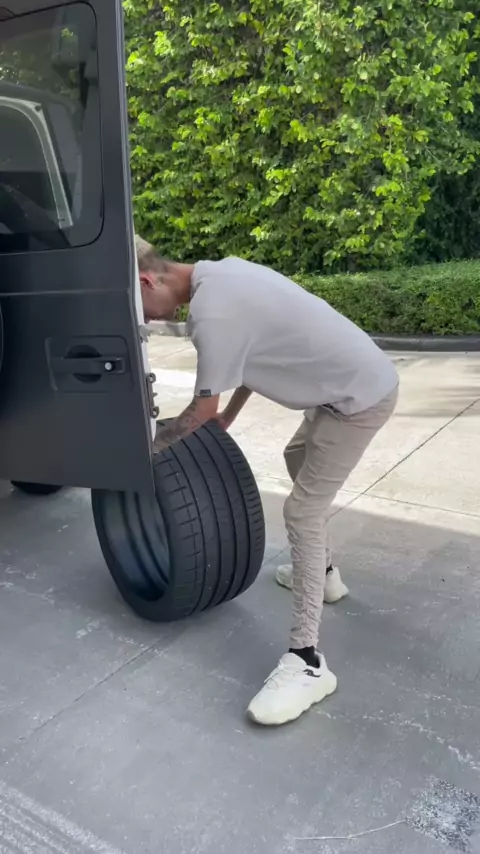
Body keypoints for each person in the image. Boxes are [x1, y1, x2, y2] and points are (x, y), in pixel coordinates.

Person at [135, 235, 399, 726]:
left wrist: (146, 449)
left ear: (148, 281)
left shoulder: (211, 314)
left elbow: (199, 410)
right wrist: (230, 415)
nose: (147, 322)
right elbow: (254, 357)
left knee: (302, 512)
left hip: (357, 401)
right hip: (340, 390)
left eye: (140, 311)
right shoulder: (223, 272)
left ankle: (307, 662)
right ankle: (323, 575)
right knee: (296, 455)